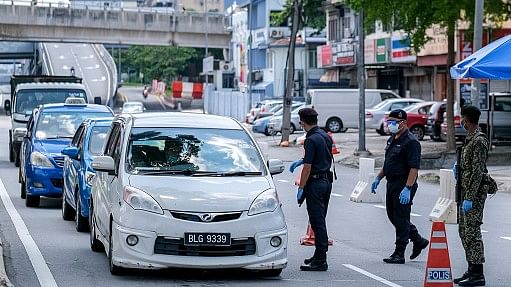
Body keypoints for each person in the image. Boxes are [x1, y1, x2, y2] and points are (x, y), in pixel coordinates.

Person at [371, 109, 429, 264]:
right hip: (391, 183)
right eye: (389, 122)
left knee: (401, 218)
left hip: (403, 183)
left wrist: (408, 188)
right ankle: (418, 240)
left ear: (403, 123)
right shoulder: (392, 139)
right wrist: (378, 177)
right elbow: (388, 162)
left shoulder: (411, 142)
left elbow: (414, 168)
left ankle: (399, 252)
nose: (390, 125)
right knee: (393, 216)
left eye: (393, 122)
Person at [289, 108, 333, 271]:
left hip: (315, 183)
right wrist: (302, 160)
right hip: (326, 181)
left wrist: (301, 187)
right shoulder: (324, 136)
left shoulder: (310, 139)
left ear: (302, 122)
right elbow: (323, 156)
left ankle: (321, 259)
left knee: (317, 221)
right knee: (320, 219)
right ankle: (318, 254)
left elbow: (308, 167)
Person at [454, 105, 489, 286]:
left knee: (473, 232)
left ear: (467, 120)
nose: (462, 122)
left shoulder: (479, 140)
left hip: (473, 194)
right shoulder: (469, 139)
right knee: (464, 232)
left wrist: (470, 197)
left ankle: (478, 274)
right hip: (465, 191)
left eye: (463, 119)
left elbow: (477, 172)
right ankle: (471, 269)